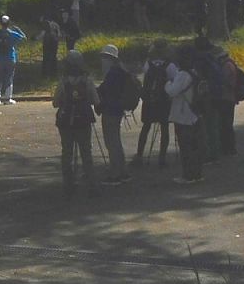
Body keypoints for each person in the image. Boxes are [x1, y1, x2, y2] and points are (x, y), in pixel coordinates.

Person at [52, 51, 100, 198]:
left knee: (66, 152)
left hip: (66, 121)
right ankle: (92, 185)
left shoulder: (63, 81)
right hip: (83, 120)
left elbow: (55, 103)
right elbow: (96, 101)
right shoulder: (87, 80)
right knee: (86, 152)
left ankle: (69, 185)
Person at [95, 44, 133, 183]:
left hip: (111, 111)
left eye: (104, 57)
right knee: (115, 141)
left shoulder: (113, 74)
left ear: (110, 58)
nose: (102, 60)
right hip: (117, 110)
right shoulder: (119, 71)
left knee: (112, 143)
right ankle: (122, 171)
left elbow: (107, 92)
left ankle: (115, 173)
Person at [131, 42, 172, 168]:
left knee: (146, 127)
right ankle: (162, 158)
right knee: (165, 129)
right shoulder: (169, 66)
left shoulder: (148, 64)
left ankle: (139, 156)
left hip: (149, 101)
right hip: (164, 101)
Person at [166, 47, 203, 184]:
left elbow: (172, 91)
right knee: (195, 146)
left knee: (185, 146)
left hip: (183, 114)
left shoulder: (182, 75)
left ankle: (188, 175)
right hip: (195, 112)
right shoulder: (194, 73)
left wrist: (168, 83)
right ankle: (197, 173)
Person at [194, 36, 222, 162]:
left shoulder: (199, 60)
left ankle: (206, 155)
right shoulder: (213, 59)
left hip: (205, 96)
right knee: (213, 126)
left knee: (203, 127)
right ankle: (215, 153)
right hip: (216, 95)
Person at [212, 45, 241, 156]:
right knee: (227, 124)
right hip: (229, 97)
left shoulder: (226, 66)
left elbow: (225, 81)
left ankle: (228, 148)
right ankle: (229, 148)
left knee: (225, 124)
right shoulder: (230, 64)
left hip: (226, 98)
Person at [0, 15, 26, 104]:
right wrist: (18, 29)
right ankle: (7, 98)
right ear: (9, 23)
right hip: (10, 58)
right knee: (9, 78)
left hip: (0, 59)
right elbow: (24, 38)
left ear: (0, 23)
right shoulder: (13, 34)